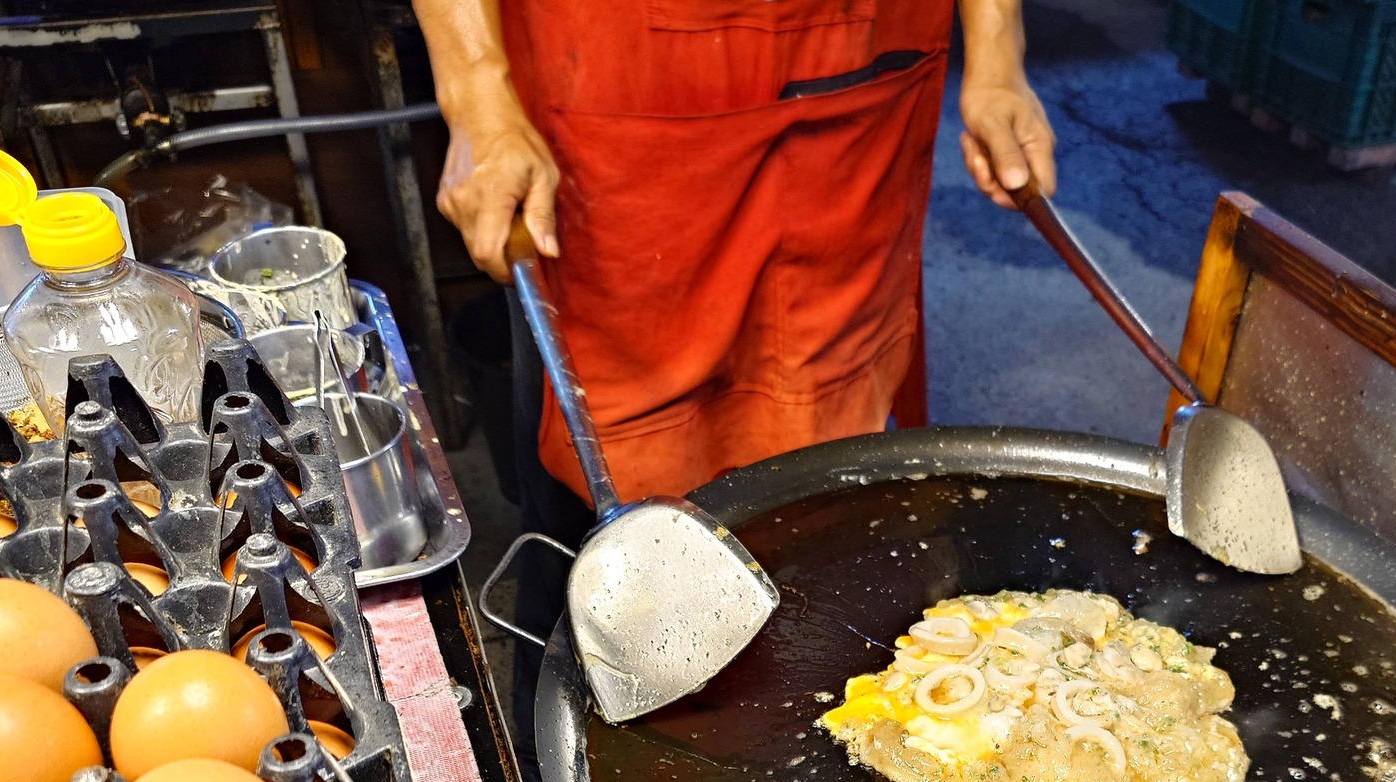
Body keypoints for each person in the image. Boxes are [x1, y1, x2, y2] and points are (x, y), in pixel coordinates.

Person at [413, 0, 1056, 739]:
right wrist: (475, 91)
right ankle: (561, 776)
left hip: (864, 74)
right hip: (620, 89)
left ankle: (814, 732)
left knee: (832, 484)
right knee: (597, 501)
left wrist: (997, 53)